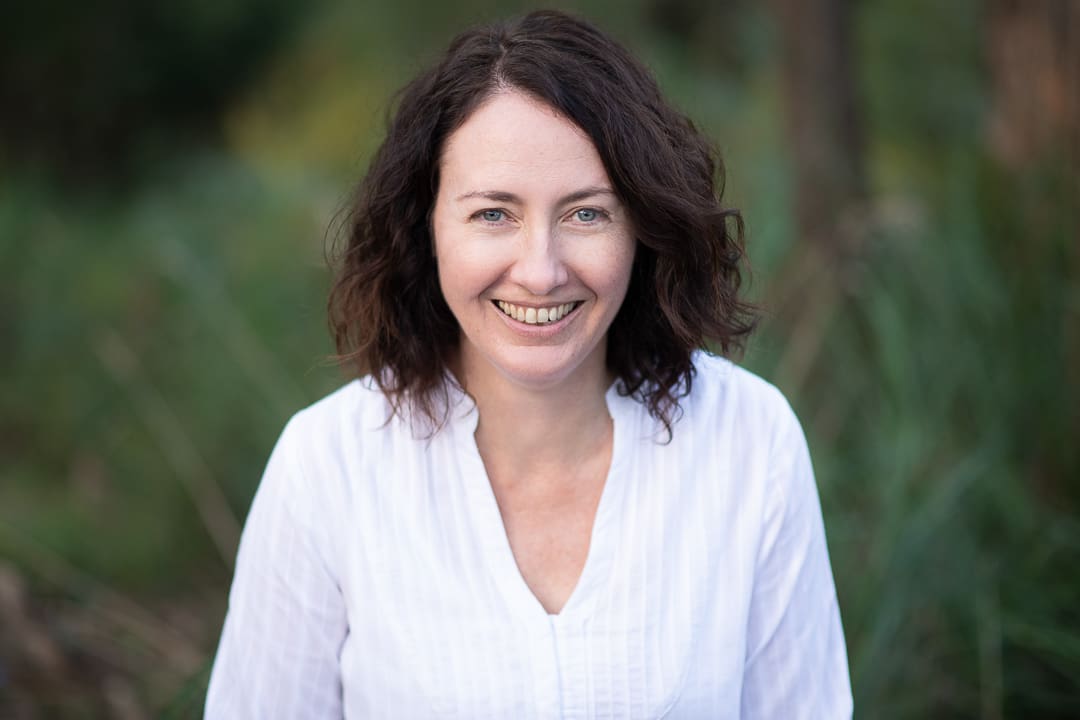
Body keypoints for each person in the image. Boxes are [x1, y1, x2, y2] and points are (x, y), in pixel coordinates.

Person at [205, 9, 852, 719]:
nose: (540, 272)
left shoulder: (750, 441)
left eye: (586, 214)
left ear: (643, 225)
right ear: (427, 226)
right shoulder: (326, 467)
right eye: (493, 214)